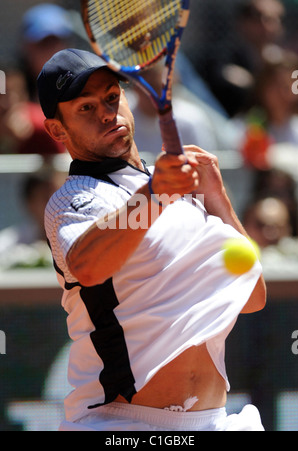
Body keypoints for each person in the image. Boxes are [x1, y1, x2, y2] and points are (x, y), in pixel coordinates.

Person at [38, 48, 266, 431]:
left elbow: (253, 298)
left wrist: (219, 201)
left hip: (214, 422)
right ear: (57, 130)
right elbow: (87, 266)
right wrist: (157, 193)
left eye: (112, 98)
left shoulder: (177, 193)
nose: (107, 113)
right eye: (86, 108)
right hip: (119, 425)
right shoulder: (73, 201)